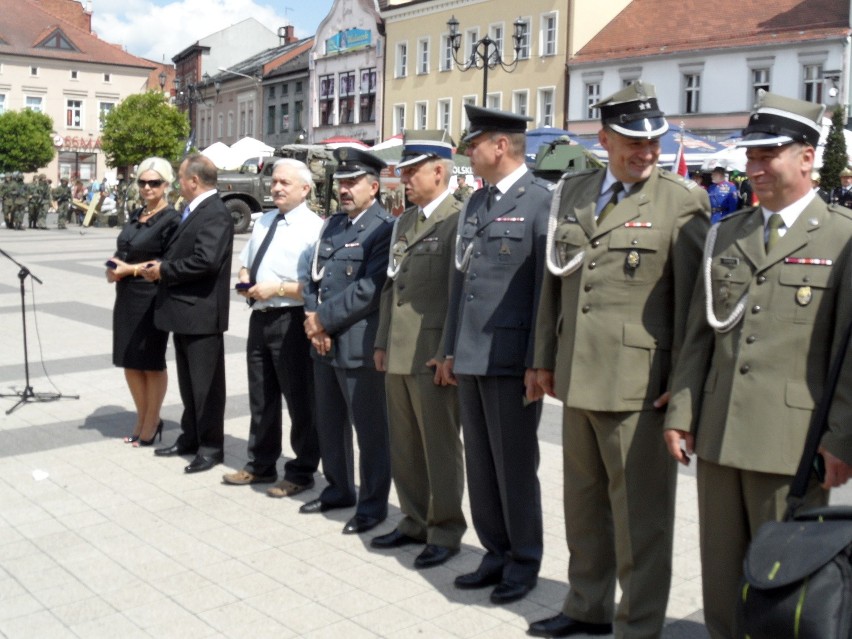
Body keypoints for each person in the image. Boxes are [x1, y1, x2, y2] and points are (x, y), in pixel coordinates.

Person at [663, 91, 852, 639]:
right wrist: (681, 410)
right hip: (720, 434)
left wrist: (841, 438)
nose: (756, 168)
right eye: (751, 157)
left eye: (768, 155)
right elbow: (699, 336)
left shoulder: (842, 237)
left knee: (784, 583)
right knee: (721, 576)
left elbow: (848, 354)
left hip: (792, 443)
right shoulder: (727, 232)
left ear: (807, 158)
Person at [528, 81, 710, 639]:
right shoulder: (576, 191)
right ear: (603, 137)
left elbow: (698, 314)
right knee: (584, 511)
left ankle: (639, 626)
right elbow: (554, 284)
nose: (647, 152)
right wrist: (542, 359)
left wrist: (683, 396)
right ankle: (587, 606)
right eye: (633, 141)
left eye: (654, 141)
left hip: (639, 389)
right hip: (578, 378)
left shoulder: (682, 202)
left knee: (641, 523)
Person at [442, 104, 551, 605]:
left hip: (511, 361)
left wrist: (538, 360)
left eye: (474, 143)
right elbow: (460, 284)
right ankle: (494, 550)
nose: (468, 152)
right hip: (471, 355)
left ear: (500, 146)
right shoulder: (475, 204)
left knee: (513, 465)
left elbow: (544, 295)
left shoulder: (541, 202)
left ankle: (523, 560)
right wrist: (448, 350)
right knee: (482, 463)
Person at [370, 130, 466, 568]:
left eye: (412, 172)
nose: (404, 179)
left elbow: (457, 294)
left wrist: (448, 351)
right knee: (405, 444)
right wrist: (381, 341)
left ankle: (444, 529)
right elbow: (392, 288)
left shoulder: (456, 220)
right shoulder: (405, 222)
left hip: (430, 353)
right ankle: (412, 519)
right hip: (399, 350)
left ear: (439, 171)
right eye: (403, 171)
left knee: (439, 446)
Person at [301, 147, 394, 535]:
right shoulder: (332, 225)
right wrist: (312, 316)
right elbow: (312, 275)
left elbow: (370, 290)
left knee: (370, 431)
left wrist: (321, 319)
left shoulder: (383, 228)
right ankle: (339, 488)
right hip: (323, 342)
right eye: (341, 182)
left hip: (357, 344)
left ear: (373, 187)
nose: (344, 189)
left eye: (353, 182)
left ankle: (372, 505)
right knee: (329, 423)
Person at [222, 159, 322, 497]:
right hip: (261, 317)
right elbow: (247, 263)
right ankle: (260, 464)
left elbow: (316, 286)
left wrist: (277, 289)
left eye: (285, 183)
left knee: (299, 400)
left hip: (292, 319)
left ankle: (301, 470)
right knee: (261, 396)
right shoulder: (265, 220)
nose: (276, 188)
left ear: (305, 189)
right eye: (275, 181)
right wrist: (245, 277)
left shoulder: (315, 228)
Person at [143, 153, 234, 474]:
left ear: (194, 181)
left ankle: (211, 446)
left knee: (207, 385)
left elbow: (205, 261)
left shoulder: (216, 213)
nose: (178, 184)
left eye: (181, 178)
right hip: (185, 313)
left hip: (202, 314)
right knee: (188, 382)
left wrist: (165, 270)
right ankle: (191, 435)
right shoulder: (195, 210)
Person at [106, 158, 180, 447]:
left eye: (154, 182)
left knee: (150, 361)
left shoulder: (171, 219)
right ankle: (141, 416)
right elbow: (123, 247)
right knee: (129, 360)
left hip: (152, 296)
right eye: (142, 182)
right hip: (125, 295)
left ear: (166, 185)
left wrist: (131, 269)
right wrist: (113, 266)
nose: (147, 187)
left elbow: (168, 261)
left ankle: (152, 420)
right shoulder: (137, 214)